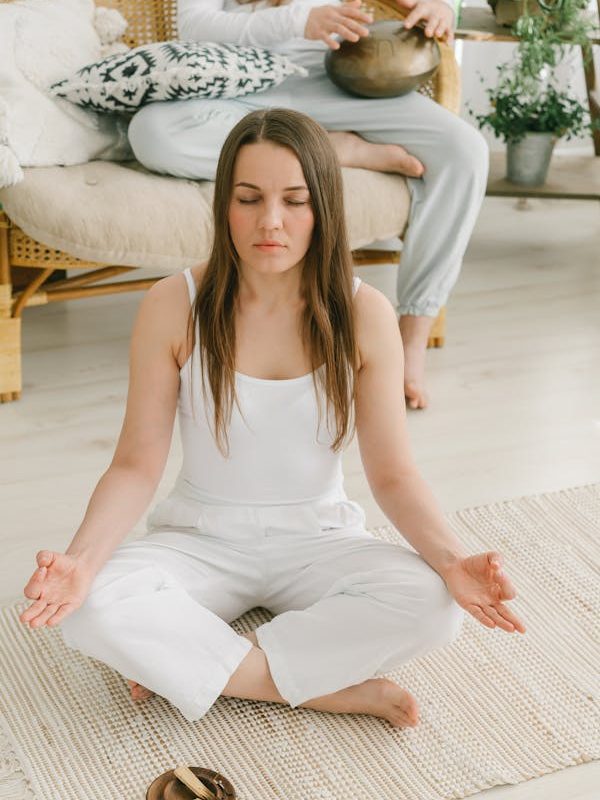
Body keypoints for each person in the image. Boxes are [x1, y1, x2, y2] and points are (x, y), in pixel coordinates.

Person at [19, 109, 522, 729]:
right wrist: (81, 563)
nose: (270, 222)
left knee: (433, 605)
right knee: (95, 604)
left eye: (295, 201)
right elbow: (135, 463)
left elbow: (392, 474)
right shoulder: (173, 303)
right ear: (223, 204)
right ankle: (324, 688)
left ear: (324, 208)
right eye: (249, 198)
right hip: (199, 538)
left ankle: (191, 666)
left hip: (319, 538)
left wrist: (451, 561)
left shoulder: (365, 314)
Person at [127, 0, 489, 411]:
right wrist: (301, 20)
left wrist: (440, 9)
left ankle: (411, 340)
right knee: (152, 132)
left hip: (339, 80)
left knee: (465, 152)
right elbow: (193, 26)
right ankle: (334, 149)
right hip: (241, 84)